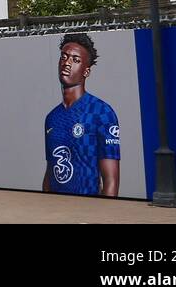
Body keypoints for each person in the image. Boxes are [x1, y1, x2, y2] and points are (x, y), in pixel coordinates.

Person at [43, 33, 120, 197]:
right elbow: (50, 171)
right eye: (64, 57)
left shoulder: (102, 112)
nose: (67, 63)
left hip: (87, 208)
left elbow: (111, 180)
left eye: (75, 60)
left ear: (86, 71)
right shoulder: (52, 117)